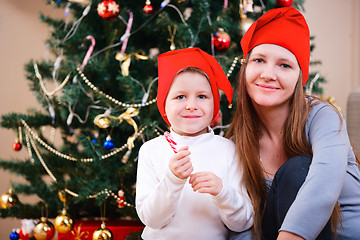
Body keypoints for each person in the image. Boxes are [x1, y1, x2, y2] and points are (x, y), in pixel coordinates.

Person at [226, 6, 360, 240]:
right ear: (246, 67)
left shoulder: (322, 117)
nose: (268, 74)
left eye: (284, 65)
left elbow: (323, 186)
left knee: (298, 168)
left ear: (299, 76)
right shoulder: (237, 142)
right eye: (259, 60)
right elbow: (243, 222)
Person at [135, 47, 253, 239]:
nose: (191, 105)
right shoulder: (151, 151)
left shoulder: (228, 150)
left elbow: (243, 223)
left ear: (214, 103)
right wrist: (172, 180)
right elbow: (151, 219)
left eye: (202, 96)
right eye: (180, 97)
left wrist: (222, 193)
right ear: (164, 102)